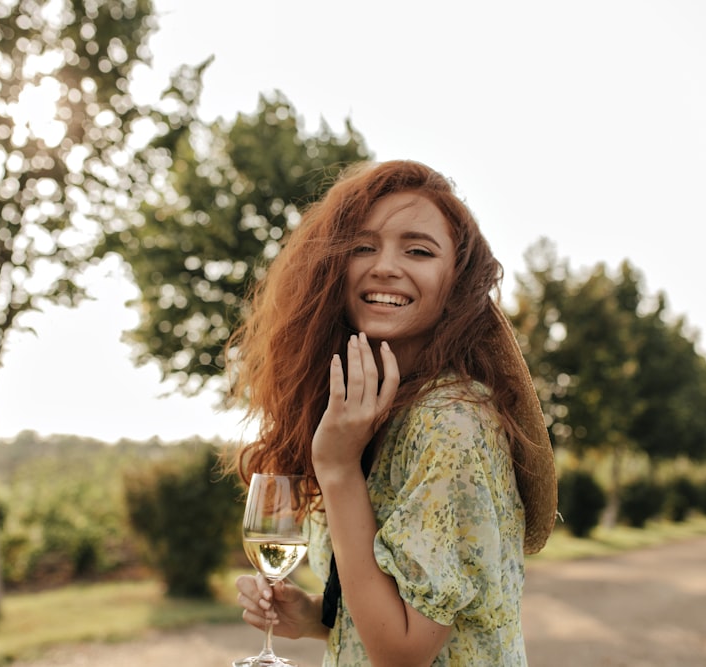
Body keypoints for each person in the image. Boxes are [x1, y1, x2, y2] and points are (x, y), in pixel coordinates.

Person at [229, 160, 558, 666]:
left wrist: (337, 468)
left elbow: (402, 654)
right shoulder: (375, 412)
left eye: (419, 251)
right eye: (363, 247)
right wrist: (317, 618)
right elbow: (398, 610)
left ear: (457, 283)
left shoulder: (450, 421)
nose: (384, 265)